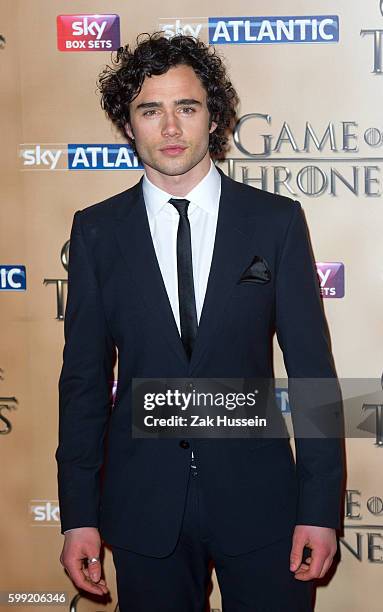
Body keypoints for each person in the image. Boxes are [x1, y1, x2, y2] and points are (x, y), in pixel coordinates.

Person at [57, 33, 344, 611]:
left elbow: (313, 375)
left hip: (261, 504)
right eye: (150, 109)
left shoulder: (276, 223)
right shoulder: (96, 233)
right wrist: (78, 516)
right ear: (128, 123)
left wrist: (318, 510)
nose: (169, 128)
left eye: (186, 107)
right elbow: (84, 384)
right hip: (142, 506)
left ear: (214, 117)